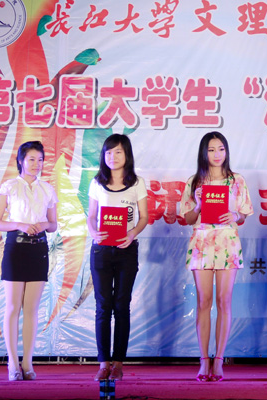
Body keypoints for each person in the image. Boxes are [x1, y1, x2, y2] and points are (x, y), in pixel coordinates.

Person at [180, 131, 253, 382]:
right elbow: (187, 218)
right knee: (204, 301)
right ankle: (203, 360)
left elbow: (243, 215)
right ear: (204, 153)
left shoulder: (237, 180)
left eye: (221, 149)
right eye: (211, 150)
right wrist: (199, 205)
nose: (217, 154)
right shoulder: (194, 182)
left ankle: (219, 360)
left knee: (224, 300)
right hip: (202, 241)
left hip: (226, 241)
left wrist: (236, 216)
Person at [0, 141, 58, 381]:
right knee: (12, 307)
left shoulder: (47, 189)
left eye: (40, 160)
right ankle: (12, 363)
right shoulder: (9, 186)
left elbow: (53, 225)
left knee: (31, 309)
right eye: (31, 159)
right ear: (21, 161)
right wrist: (19, 224)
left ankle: (27, 363)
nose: (36, 164)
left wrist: (44, 224)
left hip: (39, 250)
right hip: (15, 249)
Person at [87, 134, 148, 381]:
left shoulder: (137, 183)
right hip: (101, 251)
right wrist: (93, 232)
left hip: (126, 251)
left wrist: (132, 233)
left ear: (127, 155)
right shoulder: (97, 182)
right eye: (109, 152)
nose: (113, 157)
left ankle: (119, 363)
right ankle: (103, 363)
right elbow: (92, 216)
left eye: (118, 152)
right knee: (103, 306)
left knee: (122, 306)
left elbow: (143, 216)